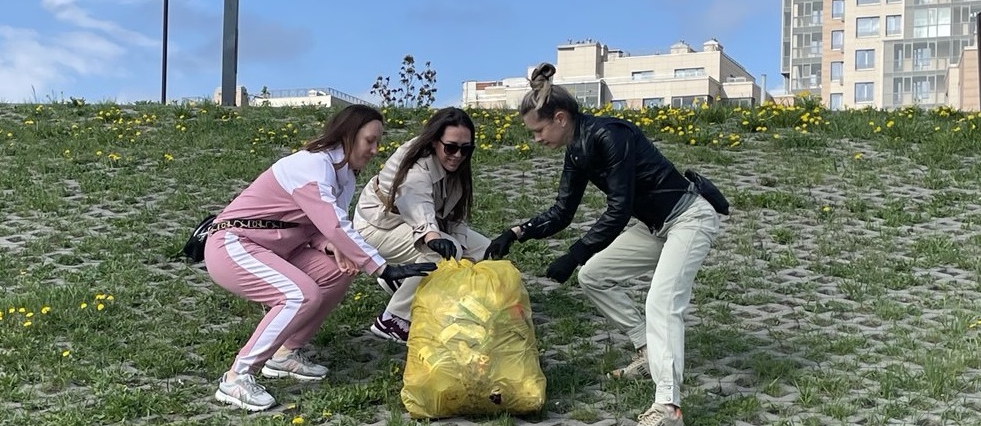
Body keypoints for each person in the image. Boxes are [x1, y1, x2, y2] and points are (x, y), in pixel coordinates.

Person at [485, 63, 724, 426]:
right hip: (657, 226)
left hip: (689, 218)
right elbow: (562, 211)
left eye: (538, 130)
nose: (536, 139)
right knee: (594, 275)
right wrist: (516, 232)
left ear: (560, 117)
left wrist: (574, 254)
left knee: (661, 302)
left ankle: (668, 407)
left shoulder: (610, 136)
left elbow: (618, 209)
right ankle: (648, 351)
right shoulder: (577, 151)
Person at [203, 104, 438, 412]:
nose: (375, 150)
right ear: (348, 135)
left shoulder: (345, 177)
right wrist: (381, 267)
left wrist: (331, 247)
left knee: (338, 272)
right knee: (299, 295)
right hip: (232, 244)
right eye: (370, 140)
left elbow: (318, 227)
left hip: (275, 248)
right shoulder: (312, 166)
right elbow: (333, 223)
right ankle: (237, 376)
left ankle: (286, 354)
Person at [352, 107, 489, 343]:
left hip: (411, 222)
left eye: (466, 149)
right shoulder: (416, 167)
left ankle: (403, 281)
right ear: (435, 141)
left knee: (483, 249)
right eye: (451, 147)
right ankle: (393, 320)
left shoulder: (454, 166)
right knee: (444, 251)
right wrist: (432, 236)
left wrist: (460, 245)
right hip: (377, 227)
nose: (457, 154)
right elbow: (418, 205)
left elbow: (455, 216)